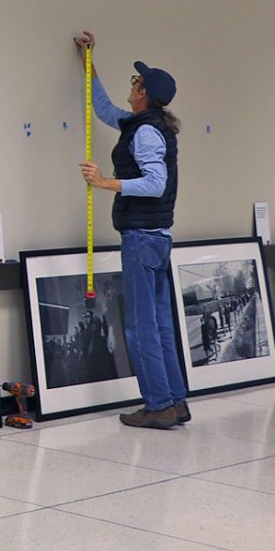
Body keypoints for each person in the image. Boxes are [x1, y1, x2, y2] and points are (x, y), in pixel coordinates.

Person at [75, 30, 187, 429]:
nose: (133, 84)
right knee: (159, 323)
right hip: (157, 238)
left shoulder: (145, 132)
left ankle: (158, 406)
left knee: (140, 328)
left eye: (136, 82)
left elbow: (154, 183)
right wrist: (90, 63)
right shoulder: (143, 122)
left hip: (141, 239)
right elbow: (103, 109)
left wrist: (106, 183)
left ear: (144, 95)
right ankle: (176, 401)